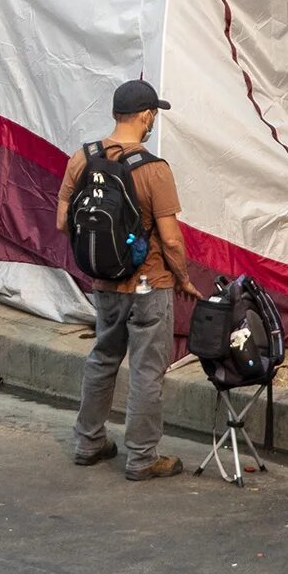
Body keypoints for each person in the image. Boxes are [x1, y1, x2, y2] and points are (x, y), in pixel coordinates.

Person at [57, 79, 201, 481]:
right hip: (148, 286)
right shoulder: (154, 170)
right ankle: (141, 458)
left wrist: (107, 257)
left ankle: (88, 443)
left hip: (103, 283)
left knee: (103, 358)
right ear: (145, 116)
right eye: (153, 114)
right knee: (146, 371)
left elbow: (61, 221)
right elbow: (171, 239)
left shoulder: (81, 159)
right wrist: (184, 280)